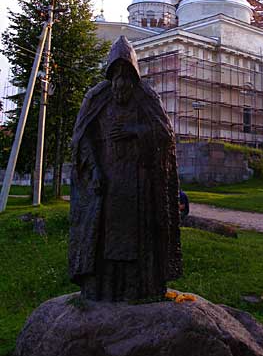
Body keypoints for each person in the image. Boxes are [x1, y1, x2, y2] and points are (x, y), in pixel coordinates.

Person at [69, 36, 182, 302]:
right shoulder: (97, 97)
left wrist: (134, 131)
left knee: (137, 238)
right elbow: (82, 137)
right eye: (116, 76)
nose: (121, 84)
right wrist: (94, 170)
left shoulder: (146, 97)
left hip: (138, 182)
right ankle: (102, 289)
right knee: (103, 237)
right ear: (110, 76)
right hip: (106, 182)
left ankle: (139, 289)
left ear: (133, 76)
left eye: (126, 76)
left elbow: (164, 134)